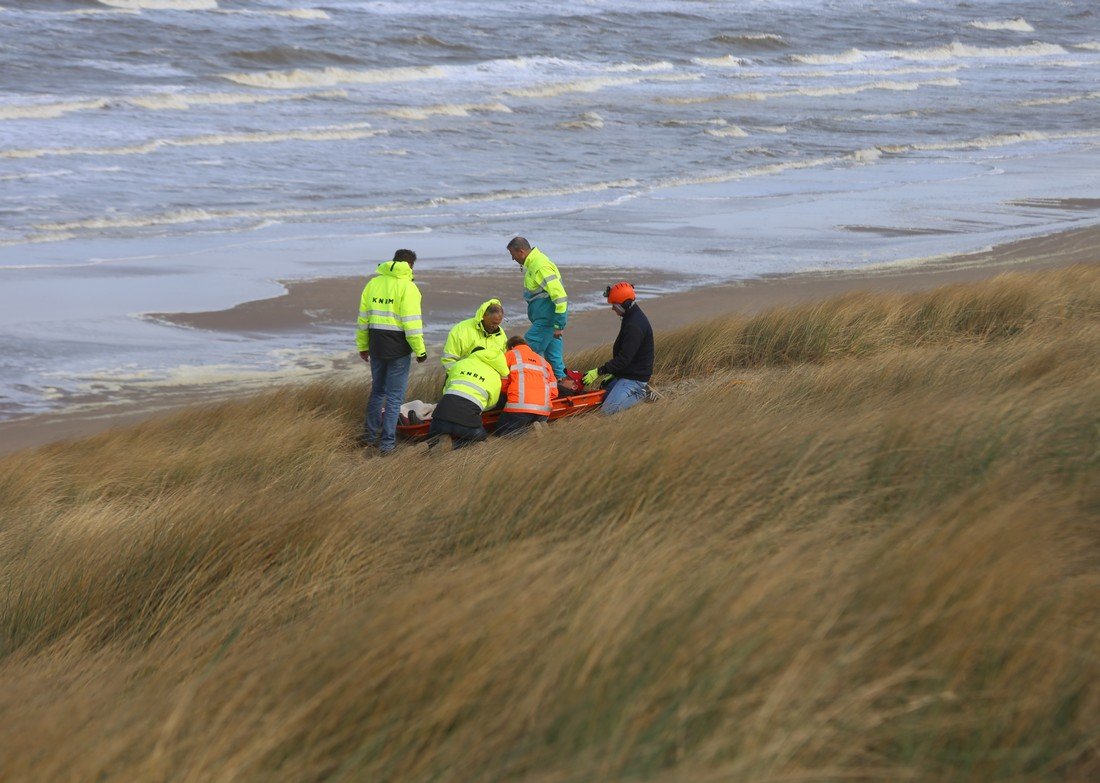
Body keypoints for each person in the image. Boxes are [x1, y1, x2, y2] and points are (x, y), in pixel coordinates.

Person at [355, 249, 427, 454]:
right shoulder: (409, 287)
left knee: (378, 392)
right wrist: (420, 351)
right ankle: (387, 444)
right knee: (395, 397)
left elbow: (363, 319)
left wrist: (363, 346)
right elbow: (412, 324)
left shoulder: (373, 283)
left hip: (376, 344)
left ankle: (370, 436)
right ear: (410, 265)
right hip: (398, 347)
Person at [506, 236, 570, 386]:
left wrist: (559, 325)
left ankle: (520, 386)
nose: (512, 259)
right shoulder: (534, 264)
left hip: (546, 322)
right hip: (547, 322)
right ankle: (561, 385)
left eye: (512, 255)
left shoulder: (540, 266)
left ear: (521, 251)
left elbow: (560, 297)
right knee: (554, 360)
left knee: (523, 351)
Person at [583, 282, 654, 416]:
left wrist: (599, 372)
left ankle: (641, 394)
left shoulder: (634, 325)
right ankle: (627, 389)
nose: (613, 309)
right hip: (626, 372)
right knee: (603, 395)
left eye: (614, 305)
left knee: (606, 411)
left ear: (625, 304)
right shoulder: (630, 316)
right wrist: (614, 374)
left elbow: (624, 359)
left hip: (635, 378)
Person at [426, 346, 509, 451]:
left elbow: (445, 390)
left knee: (434, 436)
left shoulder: (459, 364)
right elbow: (492, 404)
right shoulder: (495, 376)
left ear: (472, 354)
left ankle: (434, 443)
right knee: (482, 437)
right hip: (467, 425)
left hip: (439, 420)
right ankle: (453, 445)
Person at [494, 335, 558, 437]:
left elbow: (503, 384)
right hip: (544, 410)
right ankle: (540, 423)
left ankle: (531, 432)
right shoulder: (543, 361)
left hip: (520, 406)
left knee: (502, 432)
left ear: (510, 347)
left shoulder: (509, 355)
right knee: (527, 419)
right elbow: (554, 391)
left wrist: (511, 394)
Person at [441, 299, 507, 370]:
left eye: (498, 324)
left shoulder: (501, 335)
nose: (495, 327)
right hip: (463, 376)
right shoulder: (461, 330)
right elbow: (449, 360)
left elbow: (503, 362)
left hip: (489, 379)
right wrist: (460, 375)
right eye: (493, 323)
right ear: (484, 315)